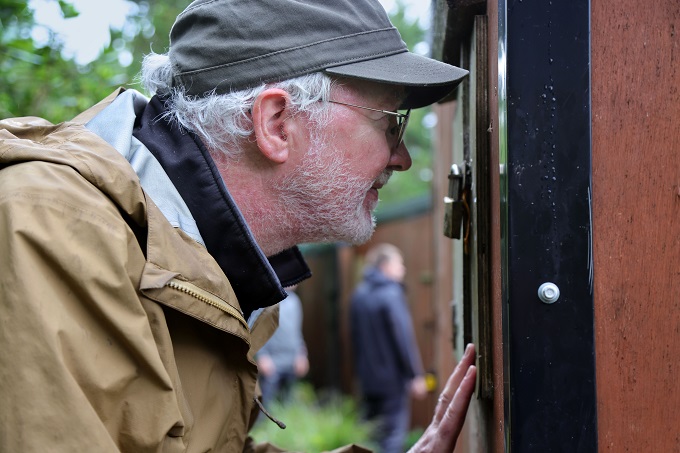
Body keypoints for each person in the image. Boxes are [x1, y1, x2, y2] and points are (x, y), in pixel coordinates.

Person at [0, 0, 477, 451]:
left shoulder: (201, 259)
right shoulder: (48, 229)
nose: (403, 157)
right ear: (276, 123)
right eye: (391, 121)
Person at [350, 243, 427, 453]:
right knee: (393, 435)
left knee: (371, 434)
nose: (403, 269)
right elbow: (402, 338)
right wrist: (415, 375)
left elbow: (355, 340)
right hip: (392, 381)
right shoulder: (391, 294)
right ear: (385, 266)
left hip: (368, 380)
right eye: (399, 264)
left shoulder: (358, 295)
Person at [253, 285, 309, 405]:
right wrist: (262, 356)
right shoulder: (267, 301)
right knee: (267, 404)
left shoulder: (295, 302)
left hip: (292, 362)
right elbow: (257, 330)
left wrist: (302, 354)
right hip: (272, 363)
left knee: (288, 404)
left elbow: (297, 332)